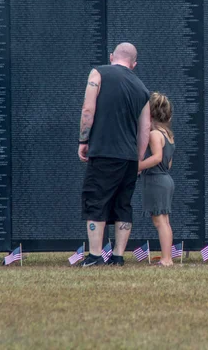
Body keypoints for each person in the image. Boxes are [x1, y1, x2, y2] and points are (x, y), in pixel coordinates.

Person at [78, 42, 151, 267]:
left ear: (112, 57)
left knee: (96, 200)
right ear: (134, 64)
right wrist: (138, 159)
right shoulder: (142, 89)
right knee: (123, 204)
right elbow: (145, 128)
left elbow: (88, 109)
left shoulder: (98, 73)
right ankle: (118, 256)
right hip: (129, 157)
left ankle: (95, 255)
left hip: (104, 151)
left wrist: (83, 139)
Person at [138, 92, 176, 267]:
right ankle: (167, 256)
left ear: (150, 114)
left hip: (156, 180)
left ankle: (166, 259)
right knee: (164, 221)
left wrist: (138, 166)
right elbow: (168, 163)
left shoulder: (154, 135)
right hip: (165, 178)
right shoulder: (168, 134)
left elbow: (157, 158)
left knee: (160, 221)